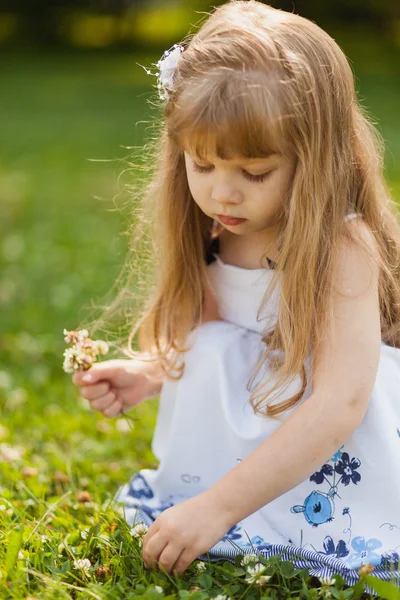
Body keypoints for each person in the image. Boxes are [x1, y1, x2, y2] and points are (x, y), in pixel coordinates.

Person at [72, 0, 400, 587]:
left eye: (254, 173)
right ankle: (224, 500)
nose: (223, 194)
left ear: (315, 159)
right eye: (202, 165)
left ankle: (248, 511)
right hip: (254, 433)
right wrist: (149, 373)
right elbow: (218, 335)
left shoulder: (341, 246)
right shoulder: (215, 230)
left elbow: (337, 405)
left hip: (328, 443)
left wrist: (217, 510)